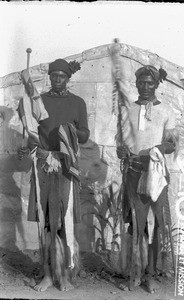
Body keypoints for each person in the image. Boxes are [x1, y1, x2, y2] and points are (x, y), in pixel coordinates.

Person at [18, 58, 90, 292]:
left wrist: (71, 131)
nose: (58, 79)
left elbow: (85, 135)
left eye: (62, 76)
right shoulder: (38, 102)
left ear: (69, 79)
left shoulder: (78, 103)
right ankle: (48, 274)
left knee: (64, 222)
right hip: (44, 166)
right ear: (50, 77)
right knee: (47, 223)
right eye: (54, 75)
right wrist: (28, 141)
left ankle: (65, 275)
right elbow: (32, 134)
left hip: (67, 167)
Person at [117, 65, 178, 293]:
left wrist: (159, 147)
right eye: (141, 82)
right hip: (133, 173)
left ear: (156, 85)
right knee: (136, 224)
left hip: (156, 174)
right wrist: (121, 151)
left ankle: (150, 275)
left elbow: (172, 144)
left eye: (149, 83)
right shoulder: (127, 110)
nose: (145, 87)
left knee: (154, 226)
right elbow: (121, 142)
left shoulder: (166, 111)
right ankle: (134, 275)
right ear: (136, 83)